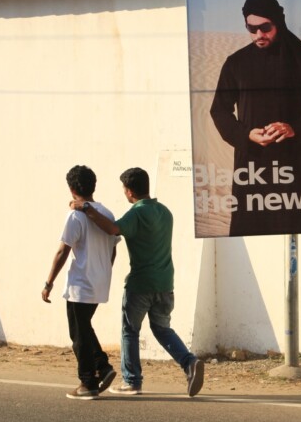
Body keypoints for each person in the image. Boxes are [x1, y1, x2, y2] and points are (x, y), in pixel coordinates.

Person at [209, 0, 301, 237]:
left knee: (297, 229)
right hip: (252, 164)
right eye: (251, 28)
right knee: (250, 228)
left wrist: (295, 128)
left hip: (294, 161)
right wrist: (245, 135)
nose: (259, 35)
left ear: (278, 22)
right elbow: (219, 110)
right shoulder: (236, 63)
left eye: (265, 27)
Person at [72, 167, 204, 397]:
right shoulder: (165, 212)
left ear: (130, 192)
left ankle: (132, 381)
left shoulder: (137, 213)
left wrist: (86, 208)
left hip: (140, 284)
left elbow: (113, 229)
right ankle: (189, 362)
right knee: (162, 329)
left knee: (130, 331)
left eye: (125, 190)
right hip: (165, 283)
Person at [43, 165, 120, 400]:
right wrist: (104, 271)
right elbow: (113, 249)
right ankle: (103, 367)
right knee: (84, 328)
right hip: (99, 282)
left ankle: (88, 382)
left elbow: (62, 251)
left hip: (80, 284)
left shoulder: (75, 215)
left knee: (78, 334)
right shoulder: (106, 212)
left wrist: (49, 282)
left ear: (72, 189)